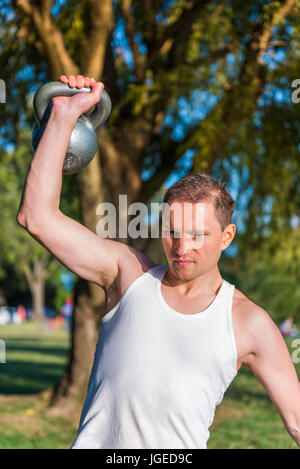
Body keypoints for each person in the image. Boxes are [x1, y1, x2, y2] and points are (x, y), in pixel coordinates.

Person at [17, 74, 300, 449]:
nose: (182, 246)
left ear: (226, 237)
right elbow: (37, 217)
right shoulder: (127, 274)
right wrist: (64, 116)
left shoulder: (248, 322)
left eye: (198, 235)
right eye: (172, 230)